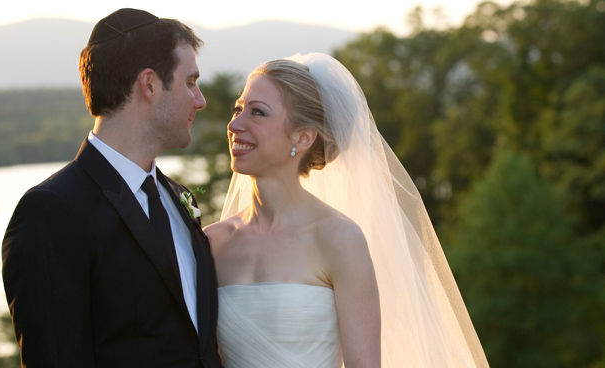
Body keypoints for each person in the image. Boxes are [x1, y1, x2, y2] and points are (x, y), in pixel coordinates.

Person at [205, 53, 490, 367]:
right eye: (238, 109)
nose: (235, 124)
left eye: (257, 112)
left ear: (301, 138)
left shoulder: (339, 239)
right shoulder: (212, 243)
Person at [1, 8, 222, 367]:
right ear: (149, 84)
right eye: (190, 81)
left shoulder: (179, 198)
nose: (200, 100)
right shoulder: (52, 211)